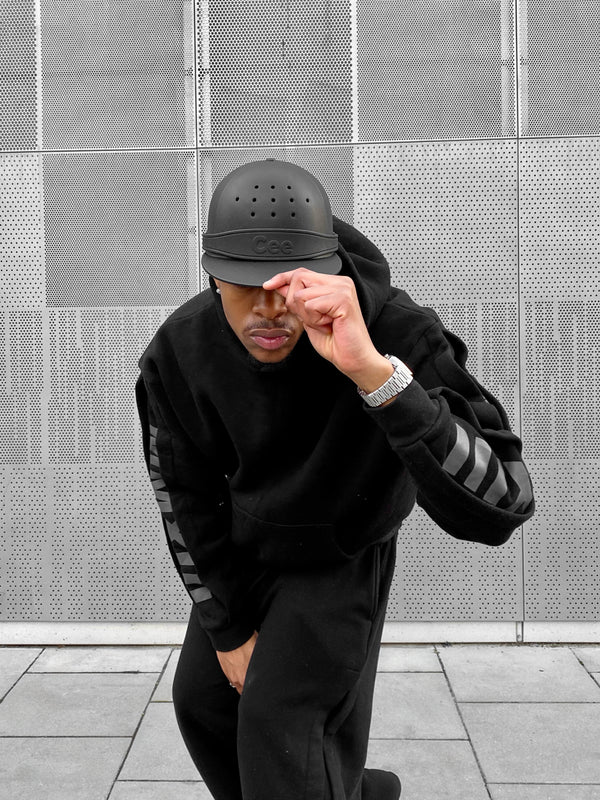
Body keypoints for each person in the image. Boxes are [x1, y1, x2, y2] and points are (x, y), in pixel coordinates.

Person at [136, 159, 534, 800]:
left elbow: (504, 500)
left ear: (325, 272)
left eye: (290, 285)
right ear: (212, 275)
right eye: (245, 286)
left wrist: (375, 374)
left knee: (282, 731)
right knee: (204, 707)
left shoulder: (396, 331)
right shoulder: (180, 349)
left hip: (340, 554)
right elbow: (181, 494)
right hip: (246, 546)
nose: (271, 309)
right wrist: (226, 625)